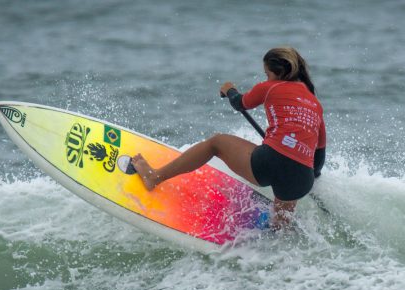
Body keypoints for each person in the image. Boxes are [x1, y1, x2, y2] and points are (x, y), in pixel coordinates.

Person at [132, 46, 326, 229]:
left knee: (216, 143)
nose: (266, 78)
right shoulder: (316, 104)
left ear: (278, 73)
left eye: (267, 74)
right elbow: (318, 159)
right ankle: (280, 239)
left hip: (270, 162)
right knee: (283, 215)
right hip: (302, 178)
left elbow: (240, 103)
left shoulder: (271, 87)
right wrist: (311, 177)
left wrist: (229, 89)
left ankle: (154, 177)